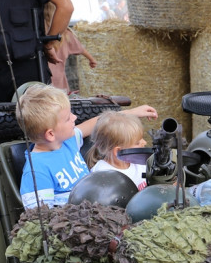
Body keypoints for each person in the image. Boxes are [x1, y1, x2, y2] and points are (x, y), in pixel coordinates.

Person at [16, 84, 156, 209]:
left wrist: (132, 113)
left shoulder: (67, 142)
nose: (75, 118)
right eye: (67, 118)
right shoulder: (37, 172)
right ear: (51, 134)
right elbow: (39, 219)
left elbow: (97, 122)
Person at [86, 112, 149, 190]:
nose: (145, 143)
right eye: (137, 143)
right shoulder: (102, 175)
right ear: (119, 151)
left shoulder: (140, 164)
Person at [43, 2, 97, 94]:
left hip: (43, 78)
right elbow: (80, 48)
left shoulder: (40, 33)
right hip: (59, 79)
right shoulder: (65, 33)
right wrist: (92, 59)